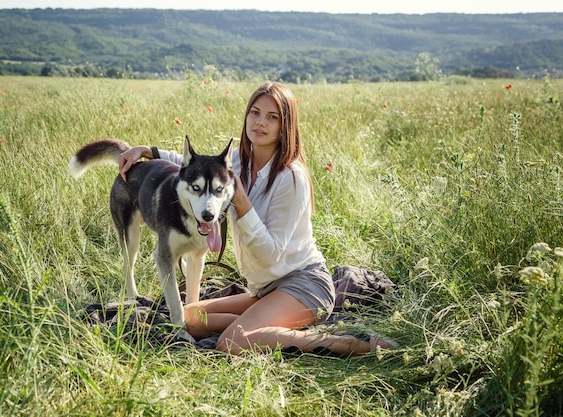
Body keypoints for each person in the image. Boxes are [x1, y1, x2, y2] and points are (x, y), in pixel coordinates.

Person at [118, 82, 397, 356]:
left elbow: (271, 255)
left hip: (304, 284)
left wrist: (242, 202)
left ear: (284, 126)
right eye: (255, 112)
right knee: (188, 317)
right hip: (265, 288)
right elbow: (194, 165)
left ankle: (347, 343)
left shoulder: (291, 177)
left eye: (272, 117)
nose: (260, 122)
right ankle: (267, 326)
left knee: (231, 343)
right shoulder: (240, 160)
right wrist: (147, 152)